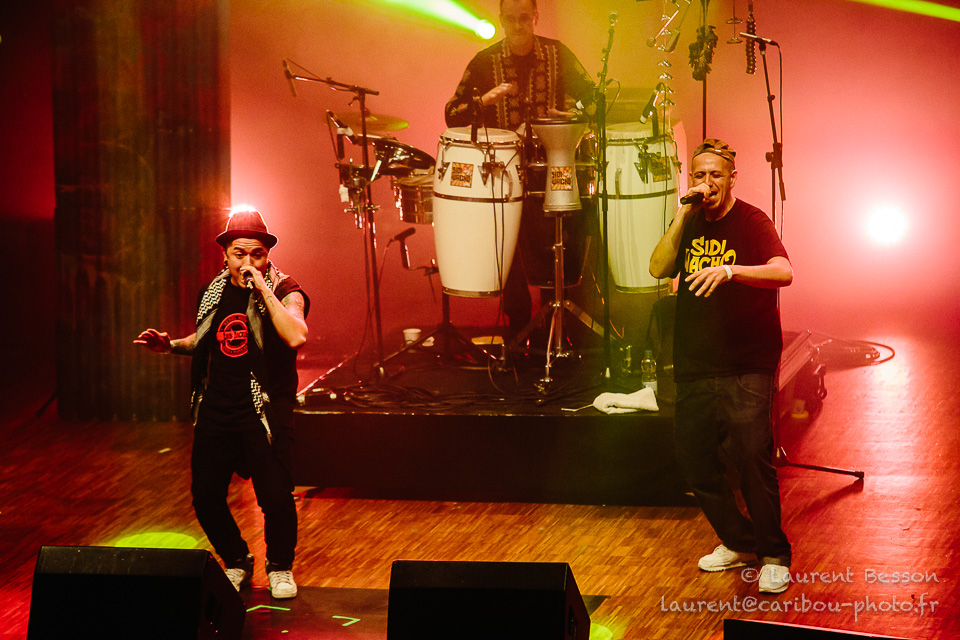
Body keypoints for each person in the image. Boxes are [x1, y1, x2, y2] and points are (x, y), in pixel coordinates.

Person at [135, 208, 309, 599]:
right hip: (217, 406)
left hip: (264, 410)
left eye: (257, 254)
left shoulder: (286, 291)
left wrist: (262, 289)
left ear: (267, 255)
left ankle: (280, 567)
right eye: (239, 254)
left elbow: (296, 336)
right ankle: (236, 559)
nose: (248, 262)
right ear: (225, 254)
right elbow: (206, 340)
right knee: (205, 495)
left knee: (275, 497)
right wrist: (170, 345)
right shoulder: (212, 291)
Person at [649, 139, 794, 594]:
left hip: (747, 360)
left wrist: (731, 271)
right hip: (696, 361)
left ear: (732, 178)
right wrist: (680, 216)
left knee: (751, 458)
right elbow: (658, 268)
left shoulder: (752, 220)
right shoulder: (689, 221)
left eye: (715, 175)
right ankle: (739, 541)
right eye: (699, 175)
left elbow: (783, 271)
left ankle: (773, 555)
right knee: (695, 463)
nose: (707, 183)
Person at [444, 0, 596, 338]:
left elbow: (594, 98)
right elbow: (452, 114)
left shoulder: (558, 54)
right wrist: (486, 100)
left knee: (557, 246)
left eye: (524, 18)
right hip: (504, 175)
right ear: (500, 20)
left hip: (555, 169)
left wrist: (574, 113)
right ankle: (519, 334)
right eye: (510, 19)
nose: (517, 25)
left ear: (536, 17)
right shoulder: (484, 62)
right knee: (510, 252)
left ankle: (557, 331)